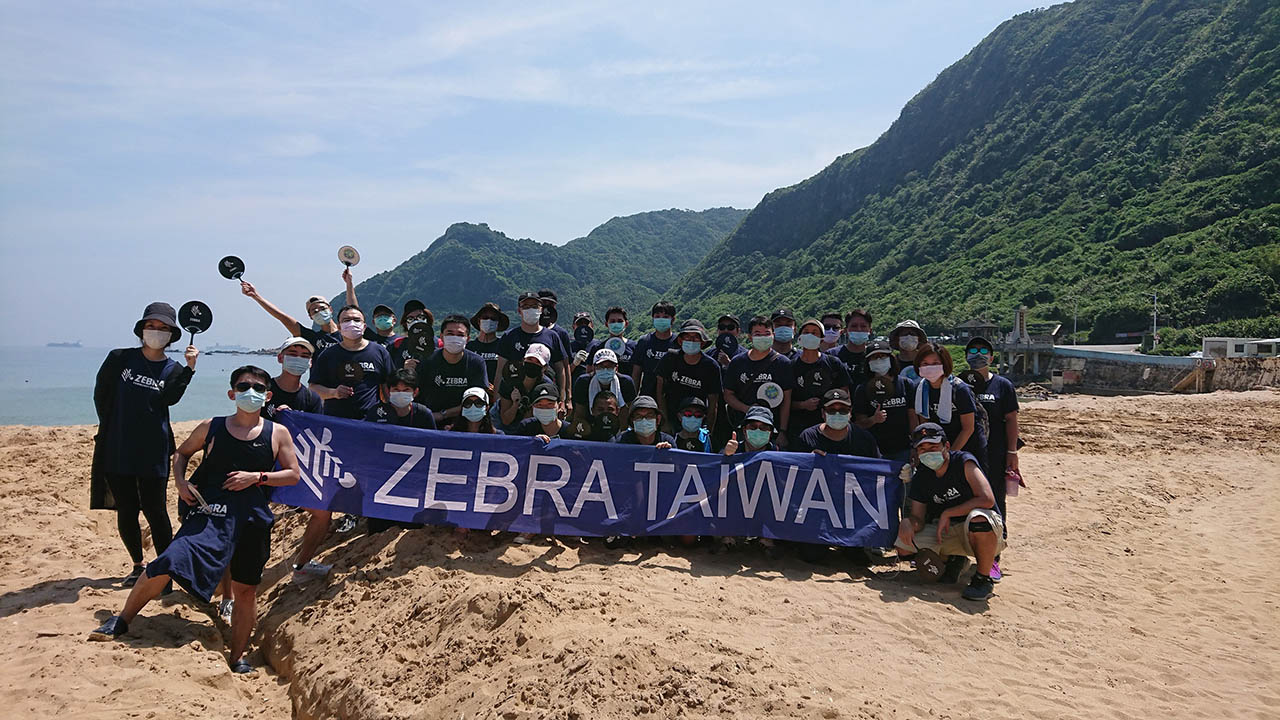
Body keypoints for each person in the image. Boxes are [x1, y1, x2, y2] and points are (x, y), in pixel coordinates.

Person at [89, 365, 301, 673]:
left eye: (257, 387)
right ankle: (121, 620)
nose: (250, 392)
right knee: (166, 562)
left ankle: (238, 656)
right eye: (243, 386)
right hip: (208, 514)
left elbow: (293, 474)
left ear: (267, 395)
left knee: (246, 590)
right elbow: (181, 453)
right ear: (232, 393)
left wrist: (257, 476)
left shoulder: (277, 432)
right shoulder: (211, 427)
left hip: (251, 521)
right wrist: (180, 482)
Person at [91, 302, 198, 586]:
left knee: (155, 510)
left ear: (172, 334)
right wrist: (114, 428)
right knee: (127, 508)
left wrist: (189, 369)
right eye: (152, 326)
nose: (156, 332)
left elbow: (170, 399)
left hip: (154, 448)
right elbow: (101, 395)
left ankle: (164, 572)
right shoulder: (119, 358)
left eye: (163, 328)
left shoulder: (173, 369)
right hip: (118, 445)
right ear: (141, 329)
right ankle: (137, 565)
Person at [895, 423, 1004, 601]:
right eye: (922, 448)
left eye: (933, 446)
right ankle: (954, 561)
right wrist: (908, 522)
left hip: (981, 529)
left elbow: (987, 499)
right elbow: (918, 518)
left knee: (978, 519)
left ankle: (983, 578)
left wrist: (948, 513)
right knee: (903, 545)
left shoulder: (964, 462)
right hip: (947, 531)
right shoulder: (922, 476)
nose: (928, 451)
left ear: (946, 446)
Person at [964, 336, 1020, 571]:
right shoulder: (959, 382)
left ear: (992, 356)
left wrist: (1012, 451)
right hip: (967, 454)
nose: (978, 354)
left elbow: (1011, 420)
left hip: (995, 453)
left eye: (983, 350)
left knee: (996, 501)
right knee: (966, 499)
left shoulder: (1002, 385)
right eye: (973, 350)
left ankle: (994, 556)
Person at [308, 305, 393, 420]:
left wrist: (391, 411)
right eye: (346, 320)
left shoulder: (379, 352)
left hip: (371, 421)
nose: (352, 323)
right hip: (336, 423)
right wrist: (334, 393)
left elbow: (388, 386)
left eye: (357, 320)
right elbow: (313, 388)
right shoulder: (328, 355)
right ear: (339, 327)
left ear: (364, 327)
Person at [907, 344, 987, 461]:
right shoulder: (920, 390)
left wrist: (950, 456)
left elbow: (968, 428)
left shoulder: (959, 389)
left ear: (945, 364)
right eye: (925, 364)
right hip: (938, 448)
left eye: (935, 363)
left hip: (967, 446)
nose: (930, 367)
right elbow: (925, 423)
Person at [723, 315, 795, 446]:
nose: (762, 337)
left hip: (773, 429)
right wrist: (748, 409)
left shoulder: (783, 363)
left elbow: (787, 400)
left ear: (773, 335)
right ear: (750, 337)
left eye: (767, 334)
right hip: (745, 427)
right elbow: (728, 395)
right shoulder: (737, 362)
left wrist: (783, 431)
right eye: (757, 334)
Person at [496, 292, 571, 415]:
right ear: (519, 311)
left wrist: (565, 399)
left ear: (541, 310)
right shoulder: (509, 336)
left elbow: (561, 370)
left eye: (535, 306)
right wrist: (497, 400)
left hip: (545, 399)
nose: (531, 310)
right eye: (526, 306)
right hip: (513, 398)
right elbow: (500, 371)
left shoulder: (552, 336)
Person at [417, 314, 490, 429]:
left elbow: (479, 400)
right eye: (450, 334)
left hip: (464, 422)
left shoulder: (476, 363)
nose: (455, 338)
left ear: (468, 338)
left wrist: (443, 414)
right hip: (429, 419)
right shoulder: (428, 360)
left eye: (460, 335)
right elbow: (417, 394)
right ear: (441, 336)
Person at [789, 318, 853, 444]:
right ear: (800, 338)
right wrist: (803, 405)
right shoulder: (791, 366)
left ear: (821, 338)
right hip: (798, 429)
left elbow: (846, 397)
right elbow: (785, 402)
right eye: (806, 332)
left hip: (831, 428)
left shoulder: (833, 363)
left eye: (814, 333)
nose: (810, 335)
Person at [654, 319, 722, 436]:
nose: (691, 341)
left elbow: (713, 403)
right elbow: (660, 392)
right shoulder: (670, 358)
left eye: (696, 337)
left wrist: (708, 431)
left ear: (702, 342)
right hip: (671, 417)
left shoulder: (711, 366)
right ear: (680, 341)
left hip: (697, 419)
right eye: (687, 337)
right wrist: (665, 422)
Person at [239, 280, 343, 353]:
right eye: (314, 311)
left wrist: (349, 282)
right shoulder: (312, 338)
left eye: (322, 308)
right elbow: (282, 317)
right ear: (310, 317)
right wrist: (255, 296)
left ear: (330, 309)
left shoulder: (348, 334)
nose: (318, 312)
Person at [853, 341, 914, 462]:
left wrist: (915, 446)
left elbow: (913, 417)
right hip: (874, 450)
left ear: (891, 359)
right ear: (868, 363)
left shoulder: (906, 384)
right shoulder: (862, 389)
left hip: (903, 449)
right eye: (874, 358)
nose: (879, 360)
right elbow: (859, 423)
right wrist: (873, 420)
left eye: (883, 356)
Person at [793, 389, 880, 458]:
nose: (837, 414)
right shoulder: (808, 437)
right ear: (823, 413)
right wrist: (809, 459)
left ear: (850, 412)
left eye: (843, 410)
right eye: (831, 410)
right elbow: (796, 468)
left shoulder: (865, 439)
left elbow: (877, 469)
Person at [571, 348, 636, 429]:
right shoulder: (583, 382)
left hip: (619, 425)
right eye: (601, 366)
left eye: (609, 366)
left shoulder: (626, 382)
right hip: (590, 425)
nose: (605, 369)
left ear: (616, 368)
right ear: (594, 368)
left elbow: (629, 412)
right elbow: (580, 414)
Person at [263, 337, 324, 420]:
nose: (298, 358)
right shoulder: (262, 389)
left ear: (310, 362)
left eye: (304, 356)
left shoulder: (312, 399)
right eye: (293, 354)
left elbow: (317, 428)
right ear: (280, 358)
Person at [498, 343, 557, 428]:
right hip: (505, 424)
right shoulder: (509, 380)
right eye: (530, 359)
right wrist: (515, 404)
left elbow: (535, 421)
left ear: (544, 367)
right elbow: (505, 420)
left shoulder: (546, 386)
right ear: (523, 360)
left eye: (538, 362)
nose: (533, 364)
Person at [341, 268, 401, 348]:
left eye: (386, 315)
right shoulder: (369, 338)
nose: (382, 318)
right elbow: (354, 309)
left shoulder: (402, 341)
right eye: (379, 316)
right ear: (373, 321)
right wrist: (349, 283)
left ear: (394, 320)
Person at [631, 300, 677, 396]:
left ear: (673, 319)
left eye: (665, 317)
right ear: (652, 318)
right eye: (657, 317)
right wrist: (634, 398)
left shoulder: (678, 343)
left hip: (672, 397)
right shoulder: (644, 341)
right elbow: (636, 373)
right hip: (647, 396)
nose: (661, 320)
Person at [365, 369, 437, 429]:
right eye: (396, 389)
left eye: (406, 390)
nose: (401, 393)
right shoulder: (376, 412)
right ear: (388, 391)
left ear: (415, 392)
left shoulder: (424, 414)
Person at [586, 306, 637, 378]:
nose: (616, 324)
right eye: (612, 321)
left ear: (626, 324)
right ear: (606, 324)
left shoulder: (634, 347)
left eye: (620, 321)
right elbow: (589, 373)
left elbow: (638, 373)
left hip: (626, 388)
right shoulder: (597, 348)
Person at [387, 300, 436, 372]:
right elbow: (388, 375)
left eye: (420, 317)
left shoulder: (438, 343)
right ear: (405, 323)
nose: (416, 321)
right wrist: (403, 370)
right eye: (410, 319)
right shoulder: (396, 345)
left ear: (427, 319)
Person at [610, 396, 674, 448]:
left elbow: (677, 462)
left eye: (649, 416)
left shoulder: (667, 441)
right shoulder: (622, 442)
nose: (644, 420)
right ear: (632, 421)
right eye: (639, 417)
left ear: (658, 419)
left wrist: (668, 453)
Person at [832, 309, 873, 389]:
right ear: (846, 330)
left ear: (870, 331)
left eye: (863, 326)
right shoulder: (832, 356)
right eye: (854, 326)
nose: (859, 329)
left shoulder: (874, 355)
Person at [467, 302, 507, 381]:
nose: (489, 321)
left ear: (498, 323)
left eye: (493, 319)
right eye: (485, 318)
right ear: (479, 321)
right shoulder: (469, 347)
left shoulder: (504, 346)